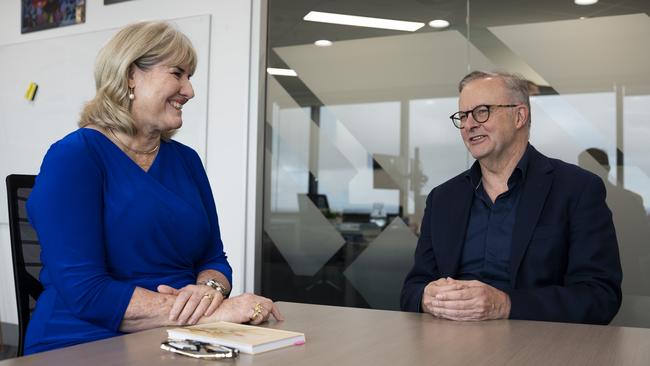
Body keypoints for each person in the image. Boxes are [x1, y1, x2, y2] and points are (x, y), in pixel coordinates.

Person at [25, 21, 281, 355]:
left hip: (180, 337)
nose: (189, 91)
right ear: (130, 75)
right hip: (82, 341)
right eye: (178, 74)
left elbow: (214, 258)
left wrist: (208, 289)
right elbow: (86, 292)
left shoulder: (186, 161)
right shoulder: (75, 156)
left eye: (190, 77)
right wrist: (215, 313)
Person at [400, 71, 622, 324]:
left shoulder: (577, 189)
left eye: (482, 111)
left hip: (538, 347)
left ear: (519, 116)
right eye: (463, 116)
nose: (469, 124)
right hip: (449, 346)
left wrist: (505, 305)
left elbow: (600, 297)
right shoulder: (443, 198)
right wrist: (425, 297)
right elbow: (411, 289)